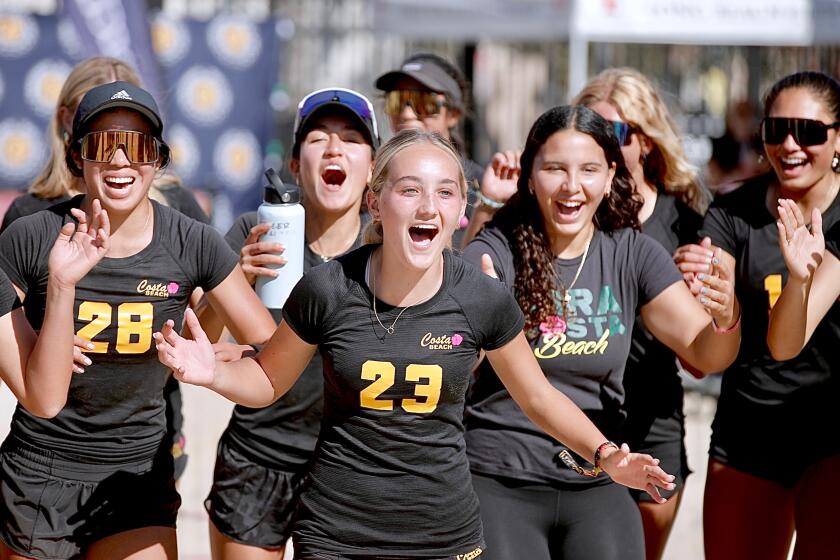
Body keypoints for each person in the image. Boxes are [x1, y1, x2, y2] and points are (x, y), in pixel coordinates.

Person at [155, 129, 676, 559]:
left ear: (460, 212)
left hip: (442, 538)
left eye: (446, 192)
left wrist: (606, 456)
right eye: (410, 190)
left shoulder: (482, 299)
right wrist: (212, 373)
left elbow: (538, 397)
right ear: (375, 203)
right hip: (337, 535)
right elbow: (268, 380)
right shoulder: (328, 288)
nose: (429, 205)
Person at [0, 80, 275, 560]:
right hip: (40, 472)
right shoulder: (30, 237)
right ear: (77, 157)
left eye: (139, 146)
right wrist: (56, 306)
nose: (121, 160)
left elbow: (271, 357)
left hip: (136, 474)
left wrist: (213, 363)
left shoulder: (194, 242)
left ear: (158, 161)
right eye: (105, 144)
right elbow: (41, 397)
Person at [461, 105, 740, 560]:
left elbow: (706, 354)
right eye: (554, 169)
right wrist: (480, 319)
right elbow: (458, 365)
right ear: (529, 177)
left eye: (589, 169)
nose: (572, 187)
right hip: (500, 475)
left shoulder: (631, 253)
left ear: (610, 175)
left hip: (596, 475)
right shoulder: (495, 250)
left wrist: (727, 317)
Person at [0, 55, 209, 479]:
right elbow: (8, 323)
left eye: (132, 134)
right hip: (48, 445)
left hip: (145, 436)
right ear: (69, 124)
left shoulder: (178, 211)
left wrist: (239, 282)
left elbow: (205, 327)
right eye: (97, 124)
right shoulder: (31, 216)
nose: (117, 149)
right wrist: (45, 339)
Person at [203, 87, 378, 560]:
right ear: (297, 164)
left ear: (372, 169)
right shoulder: (252, 233)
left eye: (352, 139)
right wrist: (233, 280)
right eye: (318, 138)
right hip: (258, 456)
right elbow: (198, 339)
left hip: (349, 464)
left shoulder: (388, 250)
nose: (335, 149)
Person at [678, 70, 840, 560]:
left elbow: (788, 341)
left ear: (838, 140)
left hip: (831, 436)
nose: (789, 144)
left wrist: (799, 277)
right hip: (748, 431)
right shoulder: (734, 211)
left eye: (809, 131)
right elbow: (711, 336)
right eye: (776, 130)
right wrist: (714, 301)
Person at [572, 68, 707, 560]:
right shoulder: (570, 210)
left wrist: (690, 298)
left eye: (618, 132)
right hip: (575, 410)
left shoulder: (686, 220)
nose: (604, 143)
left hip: (651, 417)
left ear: (647, 142)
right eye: (592, 130)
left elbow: (699, 360)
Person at [375, 53, 484, 246]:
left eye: (424, 103)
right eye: (397, 101)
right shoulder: (371, 180)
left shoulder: (484, 189)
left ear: (453, 114)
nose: (407, 114)